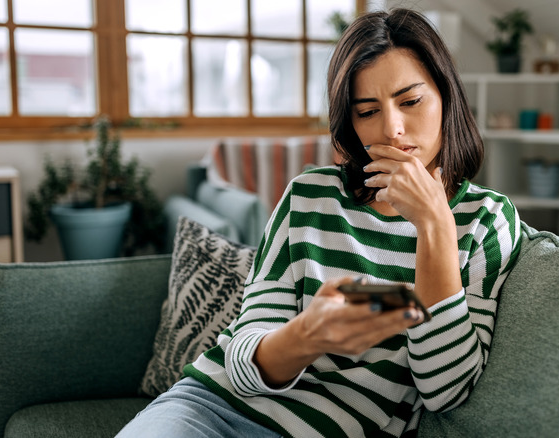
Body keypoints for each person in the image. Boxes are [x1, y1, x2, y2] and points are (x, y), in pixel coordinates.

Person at [117, 7, 521, 438]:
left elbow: (445, 391)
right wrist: (309, 335)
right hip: (209, 411)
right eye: (367, 111)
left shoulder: (485, 221)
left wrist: (435, 225)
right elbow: (241, 366)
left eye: (410, 101)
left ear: (447, 97)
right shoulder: (310, 196)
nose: (392, 129)